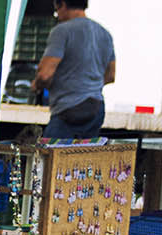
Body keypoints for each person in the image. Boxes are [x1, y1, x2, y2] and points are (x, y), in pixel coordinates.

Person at [36, 0, 115, 139]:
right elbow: (110, 75)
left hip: (69, 109)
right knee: (83, 157)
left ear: (63, 4)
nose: (57, 14)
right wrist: (89, 85)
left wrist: (36, 85)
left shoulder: (62, 30)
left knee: (49, 156)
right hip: (96, 108)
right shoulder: (104, 33)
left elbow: (45, 75)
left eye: (56, 9)